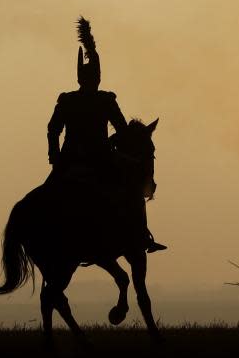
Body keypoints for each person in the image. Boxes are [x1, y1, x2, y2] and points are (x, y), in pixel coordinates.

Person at [46, 17, 163, 253]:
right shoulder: (106, 100)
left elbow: (53, 130)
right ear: (97, 77)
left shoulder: (67, 100)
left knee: (49, 196)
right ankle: (142, 237)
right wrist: (114, 143)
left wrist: (56, 156)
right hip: (102, 158)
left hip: (69, 159)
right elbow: (122, 131)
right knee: (134, 184)